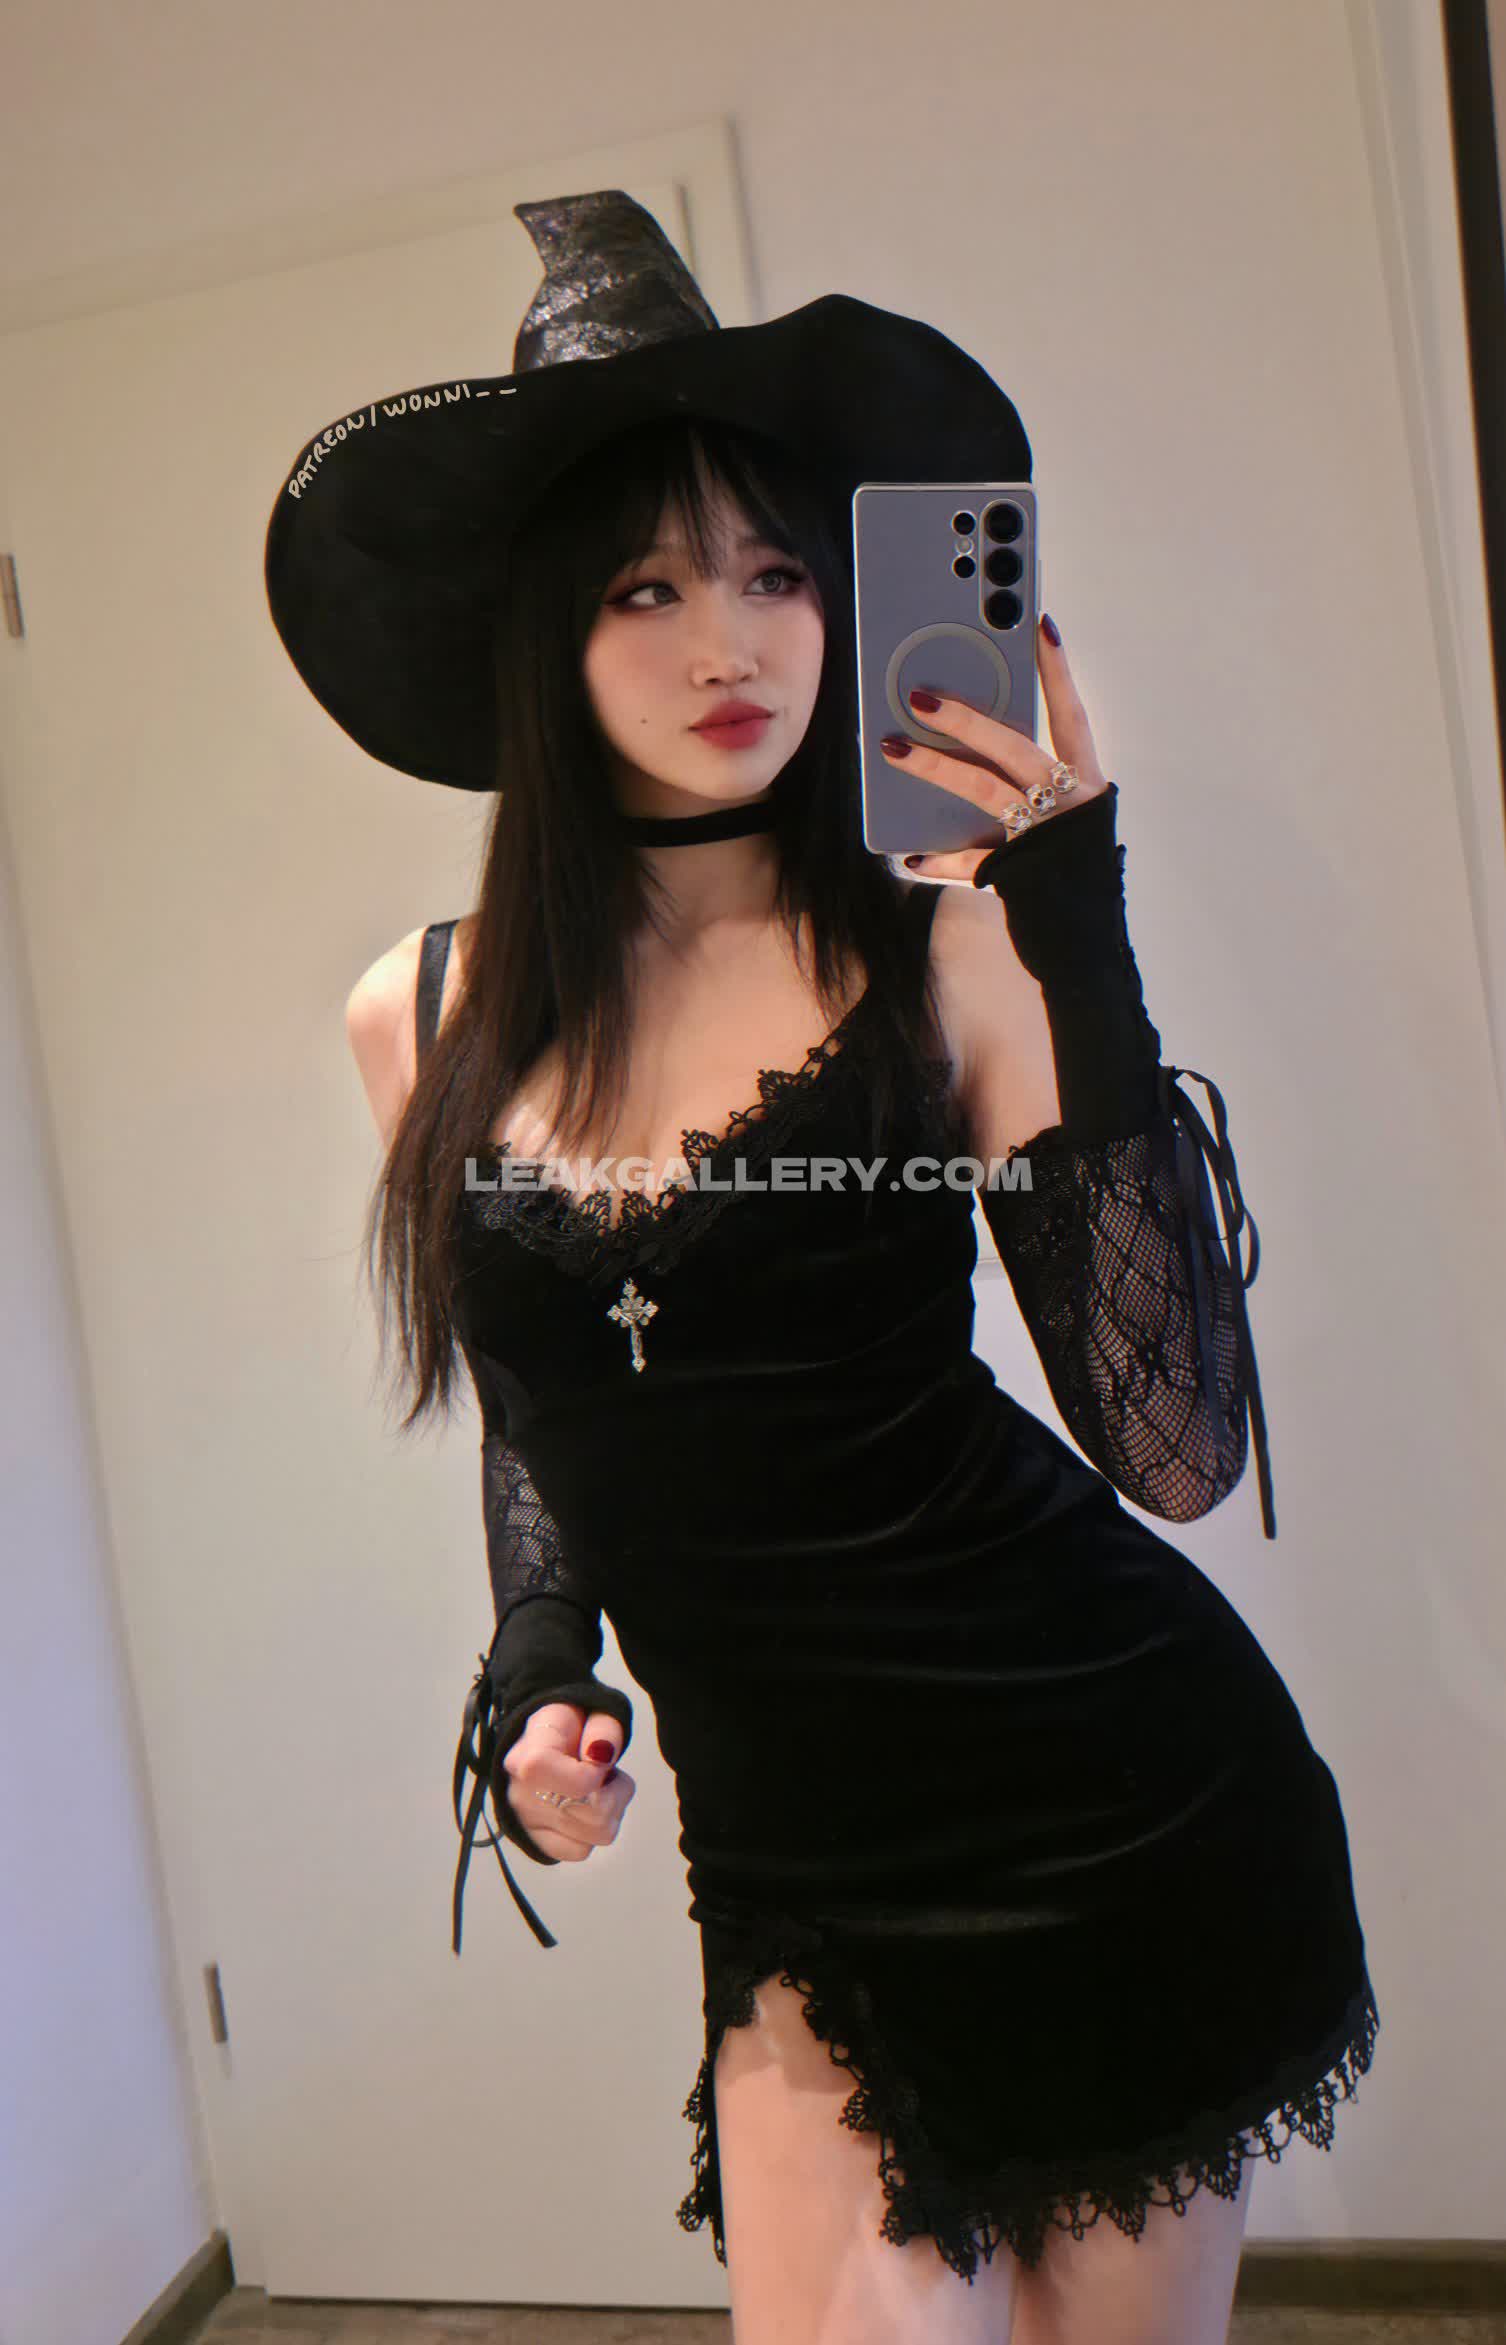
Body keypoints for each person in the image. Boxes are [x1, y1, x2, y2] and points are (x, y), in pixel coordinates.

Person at [268, 191, 1379, 2345]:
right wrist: (542, 1658)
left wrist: (1077, 931)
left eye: (778, 574)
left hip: (1124, 1803)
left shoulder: (948, 958)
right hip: (796, 1889)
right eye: (650, 586)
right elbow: (552, 1401)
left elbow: (1172, 1447)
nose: (734, 645)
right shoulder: (421, 1013)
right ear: (544, 629)